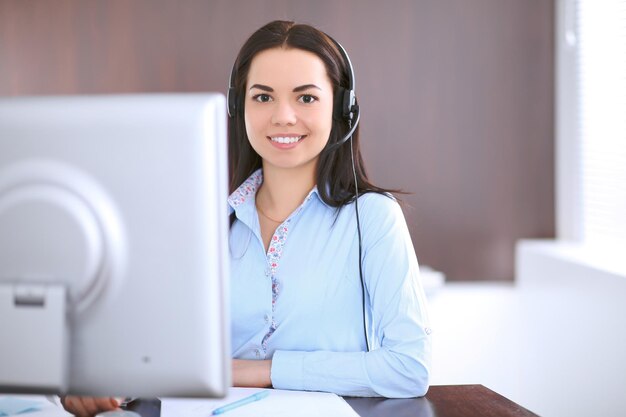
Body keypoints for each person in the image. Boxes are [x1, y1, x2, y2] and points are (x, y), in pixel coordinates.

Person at [61, 20, 431, 416]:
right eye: (263, 97)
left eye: (306, 98)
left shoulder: (373, 219)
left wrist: (262, 371)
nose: (283, 116)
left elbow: (408, 368)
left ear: (342, 109)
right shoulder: (207, 223)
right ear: (238, 106)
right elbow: (160, 355)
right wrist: (104, 380)